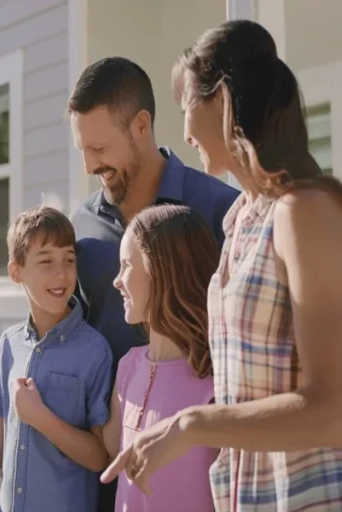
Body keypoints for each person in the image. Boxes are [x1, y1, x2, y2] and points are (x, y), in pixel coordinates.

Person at [101, 19, 342, 511]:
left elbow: (333, 409)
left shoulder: (303, 211)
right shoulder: (238, 221)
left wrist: (193, 424)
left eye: (187, 105)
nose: (184, 130)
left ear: (223, 100)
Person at [66, 56, 239, 510]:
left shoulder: (222, 211)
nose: (90, 165)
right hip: (107, 467)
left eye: (99, 148)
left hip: (197, 469)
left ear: (141, 125)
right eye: (82, 150)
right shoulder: (81, 227)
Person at [0, 205, 113, 512]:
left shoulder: (94, 351)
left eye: (69, 260)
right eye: (46, 261)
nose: (61, 273)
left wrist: (40, 418)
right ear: (16, 272)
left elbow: (100, 457)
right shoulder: (9, 344)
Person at [103, 204, 220, 511]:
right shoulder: (128, 367)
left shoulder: (216, 378)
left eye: (126, 265)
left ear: (162, 270)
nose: (117, 281)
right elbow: (110, 449)